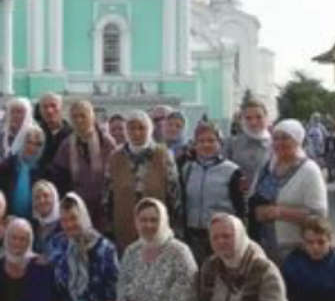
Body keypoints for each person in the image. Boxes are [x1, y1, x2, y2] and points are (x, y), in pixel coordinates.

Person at [249, 119, 328, 262]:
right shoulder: (267, 167)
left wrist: (280, 213)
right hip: (263, 247)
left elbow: (319, 214)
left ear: (297, 140)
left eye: (285, 138)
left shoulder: (309, 170)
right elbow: (253, 197)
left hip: (294, 249)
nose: (279, 143)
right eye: (276, 138)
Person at [104, 110, 182, 254]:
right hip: (124, 224)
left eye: (141, 128)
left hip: (156, 223)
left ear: (150, 129)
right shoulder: (115, 157)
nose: (137, 133)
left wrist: (176, 225)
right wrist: (109, 226)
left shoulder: (163, 155)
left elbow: (174, 193)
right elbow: (107, 194)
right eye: (132, 128)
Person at [181, 122, 247, 265]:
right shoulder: (188, 169)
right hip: (194, 235)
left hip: (221, 235)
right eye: (201, 141)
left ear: (219, 143)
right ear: (195, 144)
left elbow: (241, 208)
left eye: (211, 140)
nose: (206, 145)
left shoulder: (232, 171)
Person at [52, 101, 117, 229]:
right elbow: (60, 176)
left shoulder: (106, 142)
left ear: (92, 117)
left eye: (83, 116)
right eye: (75, 117)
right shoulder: (66, 145)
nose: (79, 120)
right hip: (78, 207)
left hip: (104, 207)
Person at [0, 124, 45, 221]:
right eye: (29, 142)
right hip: (8, 219)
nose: (32, 147)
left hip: (35, 222)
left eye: (37, 144)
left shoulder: (44, 170)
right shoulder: (7, 165)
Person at [225, 98, 272, 191]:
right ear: (241, 120)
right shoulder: (231, 144)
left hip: (267, 200)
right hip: (237, 198)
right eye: (248, 118)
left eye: (259, 117)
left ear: (266, 118)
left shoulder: (276, 144)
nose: (253, 122)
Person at [37, 92, 72, 170]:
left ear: (61, 108)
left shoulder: (72, 134)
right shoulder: (35, 133)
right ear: (40, 110)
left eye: (53, 106)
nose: (49, 111)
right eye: (45, 107)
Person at [32, 179, 65, 258]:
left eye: (46, 196)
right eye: (37, 197)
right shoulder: (33, 225)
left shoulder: (64, 224)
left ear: (54, 198)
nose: (41, 200)